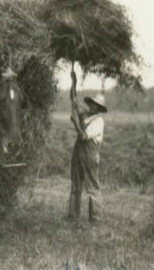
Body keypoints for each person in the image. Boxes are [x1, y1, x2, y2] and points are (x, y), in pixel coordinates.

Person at [68, 66, 107, 224]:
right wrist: (74, 82)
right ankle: (73, 215)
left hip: (90, 154)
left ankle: (95, 218)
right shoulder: (86, 116)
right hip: (78, 152)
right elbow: (74, 100)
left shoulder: (98, 122)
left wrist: (75, 123)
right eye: (91, 103)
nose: (91, 106)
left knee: (92, 186)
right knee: (76, 183)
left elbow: (84, 137)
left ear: (98, 108)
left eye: (94, 105)